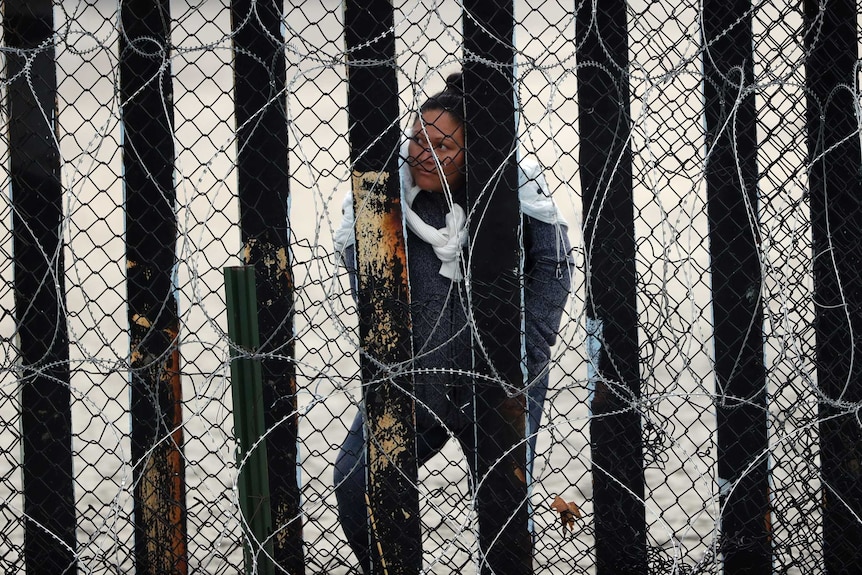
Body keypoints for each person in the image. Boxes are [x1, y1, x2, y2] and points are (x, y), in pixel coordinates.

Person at [332, 71, 573, 573]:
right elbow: (361, 260)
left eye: (442, 146)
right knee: (356, 481)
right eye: (419, 139)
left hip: (498, 383)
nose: (422, 154)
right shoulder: (393, 198)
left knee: (503, 513)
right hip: (416, 381)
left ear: (474, 151)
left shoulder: (511, 194)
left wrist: (533, 349)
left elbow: (554, 266)